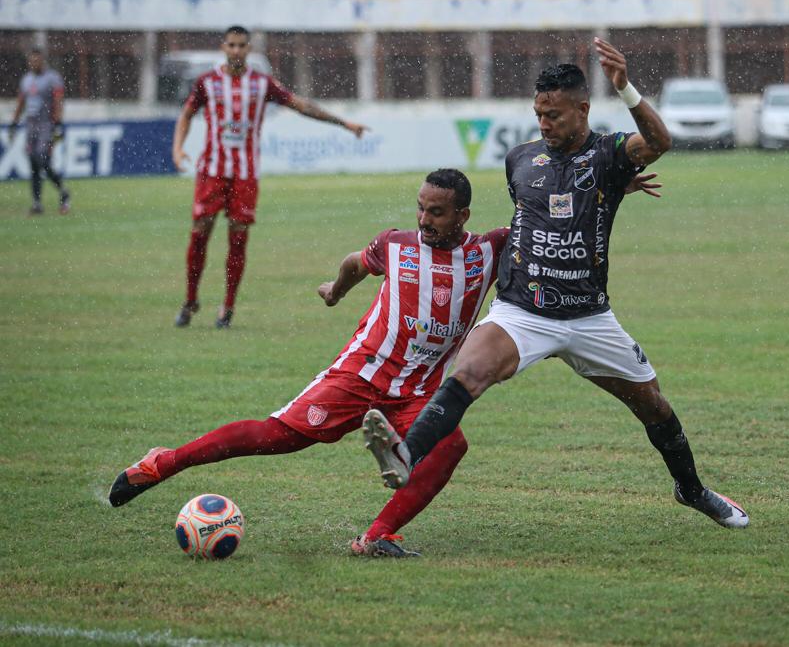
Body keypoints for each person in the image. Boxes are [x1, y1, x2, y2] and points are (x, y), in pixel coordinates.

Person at [363, 37, 749, 532]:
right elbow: (537, 210)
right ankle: (403, 454)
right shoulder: (521, 159)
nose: (544, 125)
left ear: (583, 108)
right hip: (522, 311)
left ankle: (691, 491)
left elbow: (659, 143)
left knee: (654, 406)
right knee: (469, 374)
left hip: (589, 316)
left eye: (555, 115)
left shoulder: (609, 153)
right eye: (539, 114)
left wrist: (626, 90)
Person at [108, 169, 508, 557]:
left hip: (419, 393)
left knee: (450, 445)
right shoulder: (395, 245)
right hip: (362, 373)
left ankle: (375, 536)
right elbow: (355, 263)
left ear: (462, 216)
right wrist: (335, 291)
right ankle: (163, 462)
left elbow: (539, 232)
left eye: (436, 212)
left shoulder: (488, 250)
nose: (424, 220)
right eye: (420, 208)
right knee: (278, 437)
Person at [171, 25, 369, 329]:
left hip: (245, 175)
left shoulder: (262, 84)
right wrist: (178, 149)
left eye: (241, 45)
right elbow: (186, 115)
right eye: (231, 45)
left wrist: (344, 123)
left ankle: (227, 308)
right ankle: (189, 300)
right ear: (223, 47)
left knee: (238, 241)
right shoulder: (207, 83)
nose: (236, 50)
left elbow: (301, 105)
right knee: (200, 235)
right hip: (211, 171)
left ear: (248, 49)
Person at [9, 48, 70, 216]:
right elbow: (21, 102)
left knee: (42, 159)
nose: (33, 63)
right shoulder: (27, 80)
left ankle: (63, 191)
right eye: (31, 61)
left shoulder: (52, 78)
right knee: (33, 164)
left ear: (42, 61)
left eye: (36, 60)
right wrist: (14, 123)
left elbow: (58, 101)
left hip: (46, 126)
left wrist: (58, 124)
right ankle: (37, 203)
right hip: (31, 127)